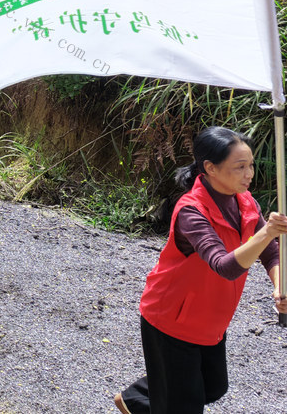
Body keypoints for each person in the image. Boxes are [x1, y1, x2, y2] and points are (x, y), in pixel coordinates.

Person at [114, 126, 287, 414]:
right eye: (240, 167)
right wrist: (267, 232)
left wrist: (280, 286)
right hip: (172, 319)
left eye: (251, 165)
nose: (250, 174)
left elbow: (271, 254)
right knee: (185, 404)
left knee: (213, 385)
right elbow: (224, 266)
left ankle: (137, 400)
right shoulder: (191, 211)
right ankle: (153, 400)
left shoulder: (245, 201)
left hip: (210, 320)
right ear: (210, 168)